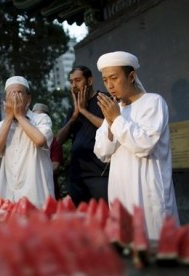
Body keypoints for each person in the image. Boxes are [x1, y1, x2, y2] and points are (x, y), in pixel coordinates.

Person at [94, 51, 180, 240]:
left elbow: (144, 145)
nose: (109, 85)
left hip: (148, 189)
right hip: (120, 188)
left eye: (114, 78)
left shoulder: (153, 102)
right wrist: (110, 121)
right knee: (128, 244)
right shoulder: (114, 110)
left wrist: (116, 118)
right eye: (105, 80)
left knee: (156, 241)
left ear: (131, 76)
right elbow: (102, 152)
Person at [0, 76, 54, 207]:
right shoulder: (0, 126)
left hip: (37, 196)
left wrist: (19, 115)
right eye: (11, 94)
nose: (15, 97)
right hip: (9, 197)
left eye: (19, 93)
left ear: (28, 99)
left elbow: (40, 140)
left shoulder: (41, 119)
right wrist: (9, 118)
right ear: (5, 101)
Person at [56, 65, 109, 206]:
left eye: (78, 80)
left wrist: (84, 111)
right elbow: (58, 140)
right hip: (76, 175)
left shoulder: (104, 100)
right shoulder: (73, 108)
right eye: (71, 82)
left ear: (89, 81)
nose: (74, 85)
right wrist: (74, 116)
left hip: (99, 174)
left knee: (104, 219)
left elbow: (113, 127)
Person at [32, 103, 64, 200]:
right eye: (35, 116)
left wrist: (38, 170)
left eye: (41, 116)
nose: (38, 119)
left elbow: (55, 164)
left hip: (48, 183)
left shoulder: (54, 142)